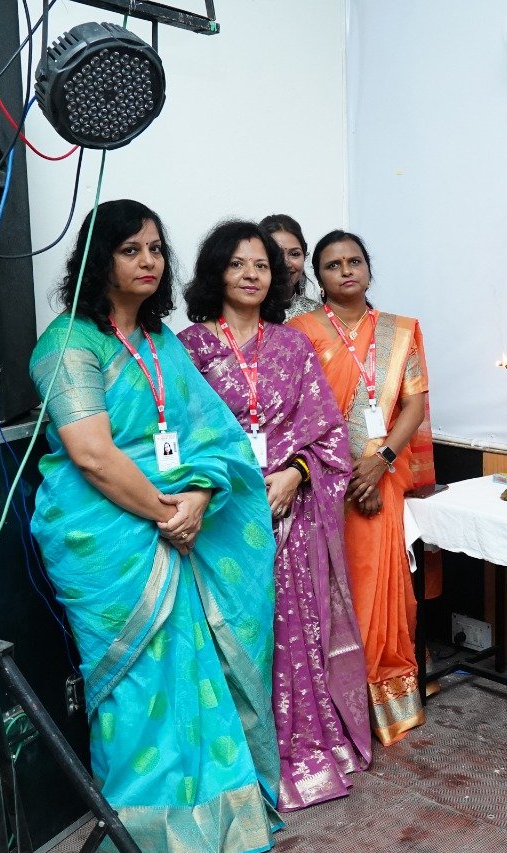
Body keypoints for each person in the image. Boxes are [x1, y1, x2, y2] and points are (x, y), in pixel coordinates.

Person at [29, 200, 281, 853]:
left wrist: (198, 498)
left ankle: (220, 815)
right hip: (107, 537)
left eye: (156, 249)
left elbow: (213, 434)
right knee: (141, 683)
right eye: (130, 249)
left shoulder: (161, 341)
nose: (148, 261)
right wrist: (169, 516)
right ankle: (148, 829)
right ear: (98, 260)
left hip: (177, 519)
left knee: (196, 671)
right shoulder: (68, 345)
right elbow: (91, 455)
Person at [179, 220, 372, 811]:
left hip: (289, 516)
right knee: (230, 637)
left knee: (290, 634)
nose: (251, 275)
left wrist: (297, 473)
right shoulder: (189, 348)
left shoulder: (292, 345)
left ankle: (295, 747)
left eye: (261, 265)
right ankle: (239, 764)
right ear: (216, 272)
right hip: (221, 521)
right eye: (237, 264)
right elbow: (176, 436)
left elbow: (328, 434)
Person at [291, 230, 435, 746]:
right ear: (318, 277)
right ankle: (335, 706)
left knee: (378, 583)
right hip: (321, 480)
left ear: (369, 269)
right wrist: (352, 472)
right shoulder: (299, 332)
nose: (346, 270)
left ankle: (382, 699)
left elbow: (413, 404)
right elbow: (300, 411)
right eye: (333, 265)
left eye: (355, 261)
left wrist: (379, 463)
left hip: (383, 474)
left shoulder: (401, 330)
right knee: (329, 588)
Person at [261, 213, 323, 320]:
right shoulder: (245, 311)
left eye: (294, 254)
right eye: (277, 254)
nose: (286, 263)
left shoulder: (317, 314)